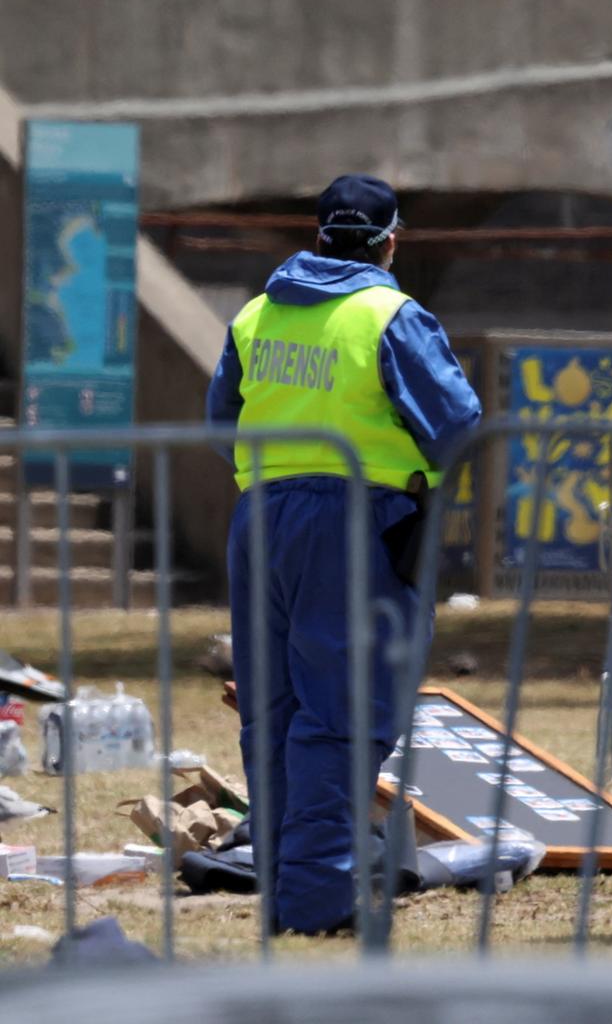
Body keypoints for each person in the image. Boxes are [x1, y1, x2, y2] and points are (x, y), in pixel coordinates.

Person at [205, 174, 482, 934]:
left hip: (261, 518)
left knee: (274, 711)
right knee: (345, 711)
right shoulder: (391, 314)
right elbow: (458, 422)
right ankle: (320, 899)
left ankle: (291, 887)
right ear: (391, 242)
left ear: (319, 234)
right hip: (357, 520)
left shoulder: (257, 314)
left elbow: (220, 418)